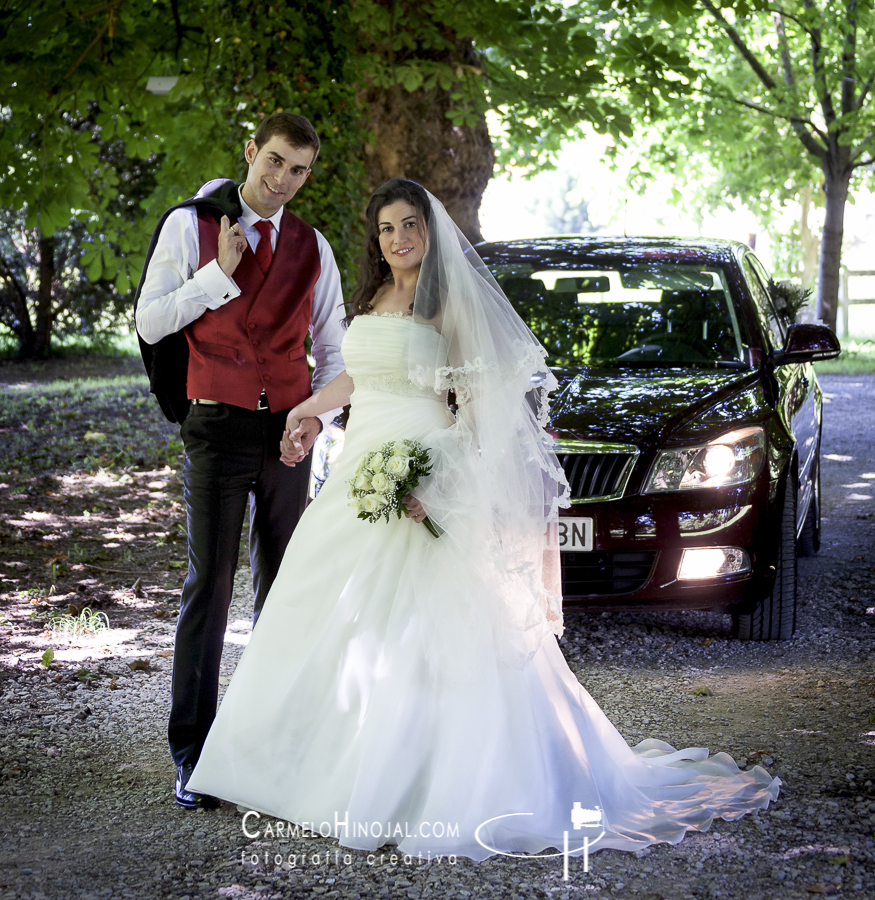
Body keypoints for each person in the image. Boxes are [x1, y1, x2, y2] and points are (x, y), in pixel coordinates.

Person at [187, 179, 779, 858]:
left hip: (420, 471)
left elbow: (478, 413)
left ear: (432, 233)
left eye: (410, 225)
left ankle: (420, 785)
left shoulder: (449, 308)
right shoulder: (374, 297)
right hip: (358, 475)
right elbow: (362, 376)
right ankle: (306, 771)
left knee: (431, 632)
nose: (399, 239)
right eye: (386, 229)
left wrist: (439, 486)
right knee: (327, 617)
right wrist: (309, 410)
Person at [134, 112, 345, 810]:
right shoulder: (189, 226)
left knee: (285, 591)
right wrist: (215, 276)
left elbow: (334, 352)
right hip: (215, 426)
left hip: (287, 433)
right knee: (212, 587)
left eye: (298, 170)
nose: (282, 179)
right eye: (274, 162)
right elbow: (150, 321)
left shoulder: (314, 247)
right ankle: (193, 756)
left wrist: (315, 420)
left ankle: (277, 745)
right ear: (251, 152)